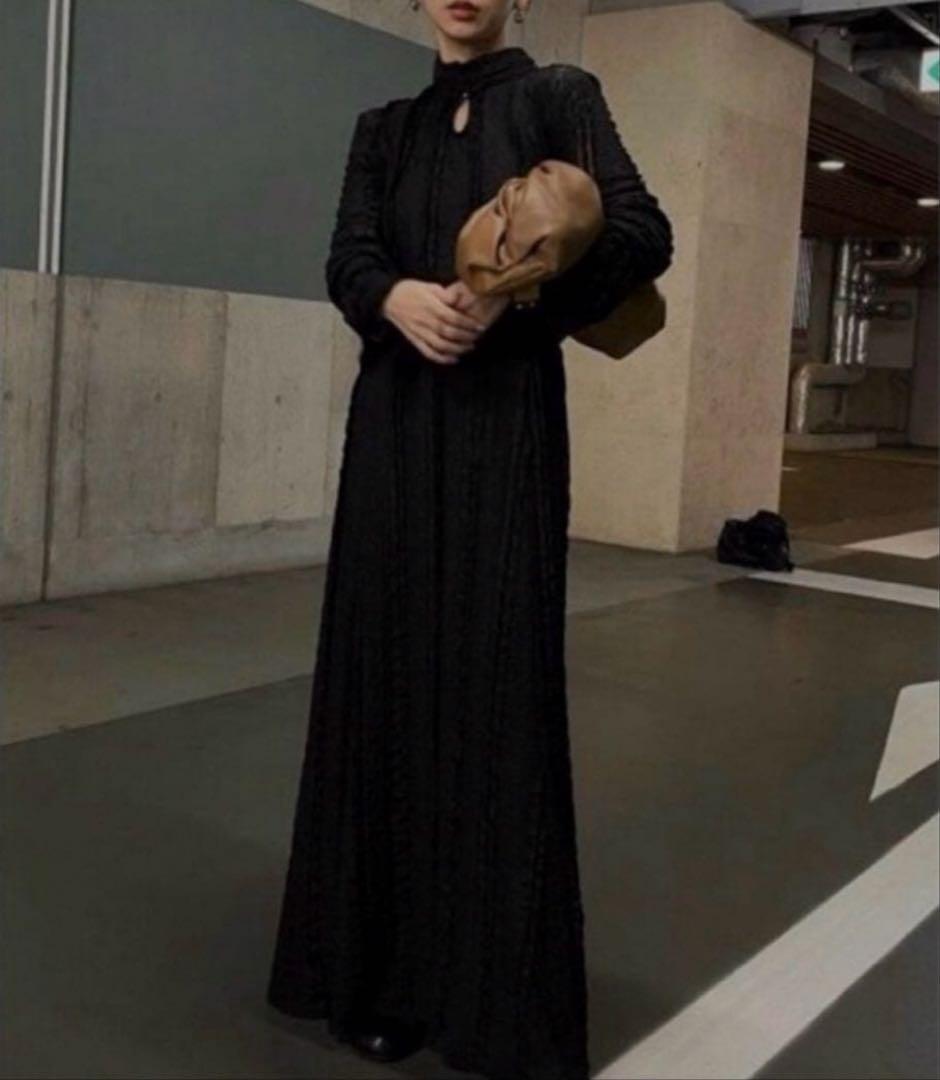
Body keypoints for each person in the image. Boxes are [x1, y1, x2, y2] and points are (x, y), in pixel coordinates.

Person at [266, 2, 674, 1078]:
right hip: (394, 428)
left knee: (493, 685)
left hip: (504, 431)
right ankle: (382, 982)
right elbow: (347, 257)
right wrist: (394, 298)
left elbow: (641, 232)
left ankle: (493, 997)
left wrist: (512, 294)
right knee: (384, 678)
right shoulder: (383, 128)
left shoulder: (557, 96)